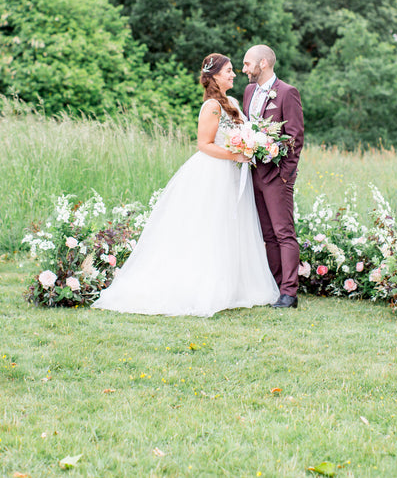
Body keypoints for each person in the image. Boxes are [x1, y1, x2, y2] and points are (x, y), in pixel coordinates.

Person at [92, 53, 280, 317]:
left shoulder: (234, 102)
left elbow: (241, 133)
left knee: (232, 225)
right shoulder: (211, 106)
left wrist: (249, 145)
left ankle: (234, 285)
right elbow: (204, 145)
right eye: (228, 71)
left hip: (235, 173)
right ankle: (204, 285)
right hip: (215, 172)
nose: (233, 74)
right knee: (210, 227)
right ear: (215, 75)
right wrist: (235, 154)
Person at [241, 45, 304, 309]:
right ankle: (276, 287)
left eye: (247, 64)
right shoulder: (248, 91)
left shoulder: (287, 93)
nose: (244, 70)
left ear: (263, 63)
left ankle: (290, 293)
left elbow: (295, 137)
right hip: (252, 173)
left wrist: (285, 176)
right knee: (266, 234)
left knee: (283, 233)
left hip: (277, 176)